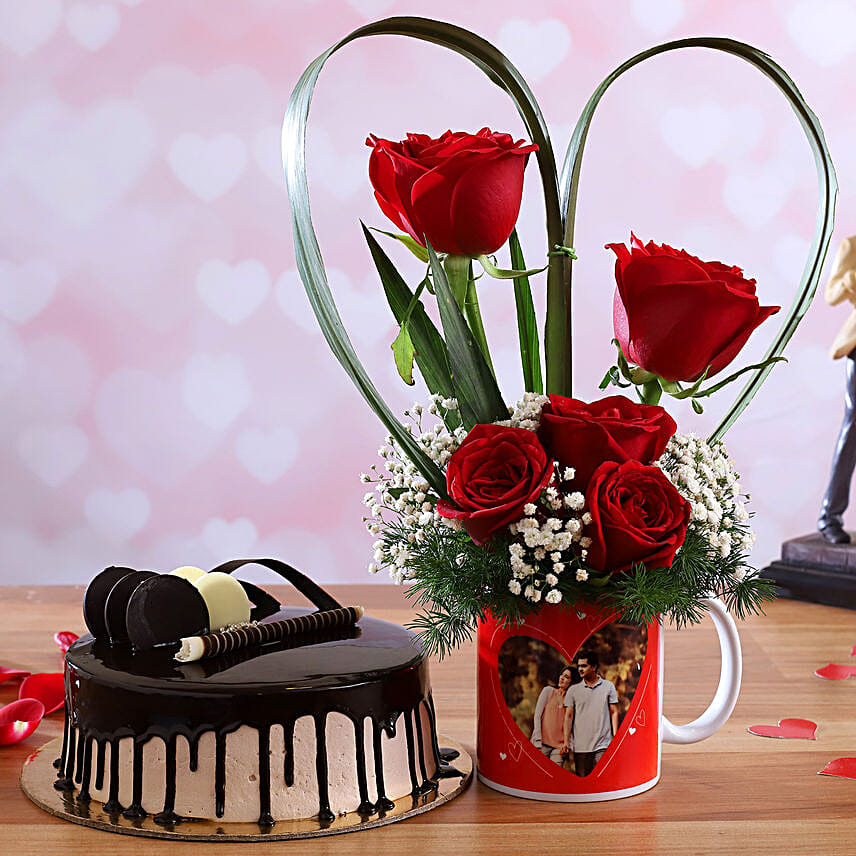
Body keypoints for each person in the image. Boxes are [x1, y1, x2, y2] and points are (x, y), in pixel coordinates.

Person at [819, 235, 856, 544]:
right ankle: (830, 516)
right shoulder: (852, 246)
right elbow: (831, 294)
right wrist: (849, 280)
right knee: (852, 428)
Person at [561, 651, 618, 777]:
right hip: (581, 747)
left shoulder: (608, 686)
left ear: (593, 667)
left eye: (584, 666)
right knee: (584, 783)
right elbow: (568, 717)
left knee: (604, 779)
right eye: (579, 666)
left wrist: (615, 736)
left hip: (603, 745)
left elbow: (613, 712)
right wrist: (566, 741)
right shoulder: (573, 690)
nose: (580, 669)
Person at [530, 666, 573, 765]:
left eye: (566, 677)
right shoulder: (548, 691)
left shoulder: (572, 701)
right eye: (561, 675)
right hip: (541, 744)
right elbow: (537, 715)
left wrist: (568, 744)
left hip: (559, 748)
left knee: (555, 777)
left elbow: (573, 724)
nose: (561, 678)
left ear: (572, 682)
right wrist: (537, 740)